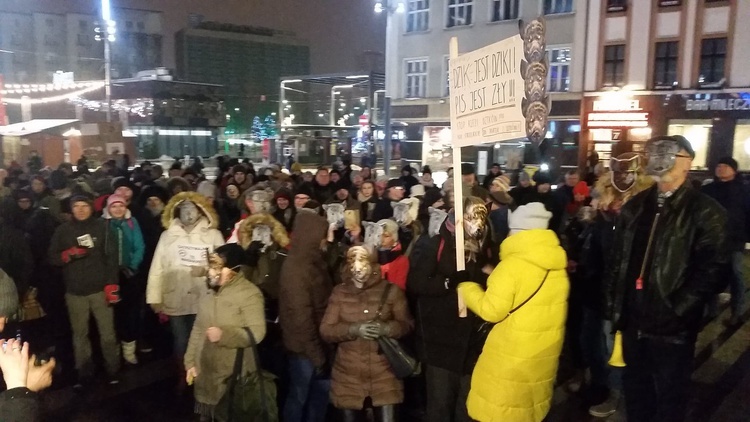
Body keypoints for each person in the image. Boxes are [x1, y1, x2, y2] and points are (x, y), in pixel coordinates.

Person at [606, 135, 727, 422]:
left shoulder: (706, 212)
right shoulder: (636, 206)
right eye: (656, 152)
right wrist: (616, 304)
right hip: (634, 321)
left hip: (672, 328)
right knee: (636, 391)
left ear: (688, 163)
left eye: (672, 154)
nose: (662, 159)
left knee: (670, 396)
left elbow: (714, 268)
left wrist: (678, 308)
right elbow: (619, 259)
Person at [458, 202, 569, 422]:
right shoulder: (556, 266)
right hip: (542, 355)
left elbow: (491, 311)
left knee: (504, 409)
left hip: (511, 358)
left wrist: (465, 287)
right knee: (528, 408)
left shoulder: (512, 266)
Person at [408, 197, 496, 422]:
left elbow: (490, 280)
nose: (477, 223)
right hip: (440, 342)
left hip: (473, 342)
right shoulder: (433, 244)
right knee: (440, 405)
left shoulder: (485, 247)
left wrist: (486, 274)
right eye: (471, 217)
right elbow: (416, 283)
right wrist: (448, 282)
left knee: (467, 407)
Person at [320, 245, 413, 422]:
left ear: (373, 263)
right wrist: (352, 329)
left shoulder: (391, 291)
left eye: (363, 261)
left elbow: (406, 325)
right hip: (348, 377)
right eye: (352, 261)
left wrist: (387, 328)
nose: (357, 268)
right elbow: (326, 330)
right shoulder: (339, 292)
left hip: (384, 376)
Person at [146, 192, 225, 384]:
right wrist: (155, 298)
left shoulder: (213, 235)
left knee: (203, 339)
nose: (188, 213)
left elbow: (223, 267)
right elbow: (157, 268)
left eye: (193, 208)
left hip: (203, 297)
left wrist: (212, 275)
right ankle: (184, 376)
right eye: (184, 209)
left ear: (201, 211)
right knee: (181, 341)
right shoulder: (167, 235)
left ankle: (203, 377)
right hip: (176, 296)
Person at [184, 244, 266, 422]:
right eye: (211, 266)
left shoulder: (249, 294)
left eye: (218, 267)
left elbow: (257, 332)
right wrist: (190, 361)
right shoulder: (209, 293)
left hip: (232, 376)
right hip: (205, 374)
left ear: (234, 269)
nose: (212, 272)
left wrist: (224, 335)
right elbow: (198, 328)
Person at [48, 194, 121, 386]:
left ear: (91, 208)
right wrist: (68, 254)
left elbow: (112, 258)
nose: (80, 210)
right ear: (71, 209)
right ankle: (84, 372)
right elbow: (52, 258)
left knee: (108, 334)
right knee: (80, 335)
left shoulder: (103, 227)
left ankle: (112, 369)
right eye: (76, 206)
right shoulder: (63, 230)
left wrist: (112, 284)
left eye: (84, 206)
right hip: (75, 292)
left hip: (100, 290)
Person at [279, 210, 333, 422]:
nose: (328, 239)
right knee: (300, 396)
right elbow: (301, 318)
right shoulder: (297, 270)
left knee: (318, 396)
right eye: (324, 234)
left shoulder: (311, 262)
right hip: (306, 349)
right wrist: (317, 356)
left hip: (318, 344)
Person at [701, 157, 750, 327]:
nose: (720, 168)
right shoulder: (707, 189)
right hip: (710, 239)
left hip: (734, 239)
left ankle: (737, 312)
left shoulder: (743, 190)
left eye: (725, 166)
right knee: (709, 274)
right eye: (718, 165)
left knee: (736, 275)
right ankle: (710, 310)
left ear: (734, 170)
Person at [102, 194, 145, 365]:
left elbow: (139, 246)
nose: (118, 209)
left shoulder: (132, 223)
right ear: (108, 208)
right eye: (114, 206)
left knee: (130, 313)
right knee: (112, 314)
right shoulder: (103, 224)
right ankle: (113, 351)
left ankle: (129, 350)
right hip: (109, 276)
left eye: (121, 206)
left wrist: (133, 266)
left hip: (128, 275)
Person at [377, 219, 410, 291]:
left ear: (394, 240)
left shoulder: (402, 261)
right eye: (379, 235)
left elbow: (398, 288)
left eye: (386, 236)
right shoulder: (371, 256)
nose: (381, 239)